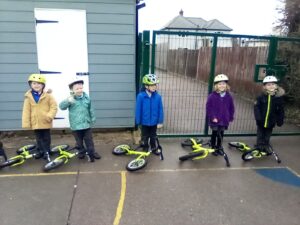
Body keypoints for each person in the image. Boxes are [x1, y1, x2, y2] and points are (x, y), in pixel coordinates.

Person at [59, 78, 100, 162]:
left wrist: (93, 118)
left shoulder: (86, 98)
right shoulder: (70, 99)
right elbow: (61, 107)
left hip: (86, 124)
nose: (79, 90)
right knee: (79, 141)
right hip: (76, 125)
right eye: (77, 89)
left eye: (81, 88)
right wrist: (68, 101)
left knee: (89, 141)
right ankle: (81, 152)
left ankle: (92, 152)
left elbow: (90, 109)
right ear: (72, 90)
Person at [22, 74, 57, 161]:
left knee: (46, 138)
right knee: (38, 138)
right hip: (35, 122)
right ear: (31, 85)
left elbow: (54, 107)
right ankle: (41, 151)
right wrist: (26, 123)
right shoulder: (28, 97)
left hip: (45, 121)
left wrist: (49, 116)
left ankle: (47, 151)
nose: (36, 85)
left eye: (39, 83)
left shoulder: (48, 96)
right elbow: (26, 111)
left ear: (43, 85)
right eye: (34, 83)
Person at [254, 75, 285, 154]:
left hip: (271, 121)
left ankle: (265, 146)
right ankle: (259, 146)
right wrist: (258, 117)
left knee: (267, 135)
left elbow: (281, 110)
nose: (271, 86)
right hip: (261, 120)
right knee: (260, 134)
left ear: (276, 86)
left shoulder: (279, 98)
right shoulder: (261, 97)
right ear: (264, 87)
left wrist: (280, 120)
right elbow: (256, 107)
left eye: (273, 84)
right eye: (268, 85)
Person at [206, 74, 235, 154]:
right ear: (216, 85)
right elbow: (209, 108)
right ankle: (213, 147)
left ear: (226, 85)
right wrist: (213, 117)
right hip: (215, 119)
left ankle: (219, 147)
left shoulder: (229, 96)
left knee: (221, 133)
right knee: (214, 133)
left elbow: (231, 107)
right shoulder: (212, 96)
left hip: (224, 119)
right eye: (220, 84)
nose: (222, 85)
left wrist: (230, 116)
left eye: (223, 84)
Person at [135, 74, 164, 151]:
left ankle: (153, 147)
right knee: (145, 136)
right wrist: (138, 121)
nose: (154, 87)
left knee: (153, 136)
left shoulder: (158, 97)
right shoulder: (141, 96)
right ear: (146, 86)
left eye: (155, 85)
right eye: (152, 85)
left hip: (154, 122)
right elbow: (138, 109)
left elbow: (160, 109)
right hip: (144, 122)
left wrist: (160, 121)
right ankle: (145, 147)